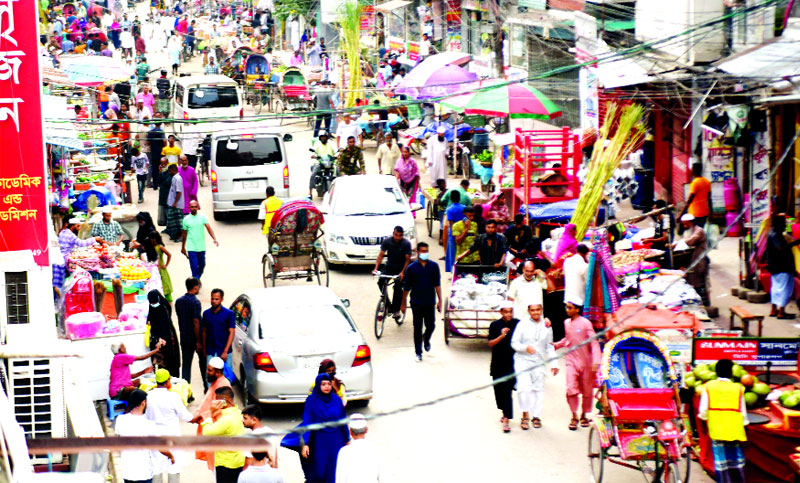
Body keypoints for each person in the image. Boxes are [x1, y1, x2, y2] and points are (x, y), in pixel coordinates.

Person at [698, 358, 748, 483]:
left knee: (721, 461)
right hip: (735, 430)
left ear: (716, 372)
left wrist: (706, 421)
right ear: (731, 373)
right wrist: (745, 425)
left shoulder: (708, 387)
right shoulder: (739, 388)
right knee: (736, 460)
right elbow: (743, 413)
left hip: (717, 430)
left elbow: (703, 411)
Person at [552, 301, 601, 431]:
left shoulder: (586, 323)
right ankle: (574, 416)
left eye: (570, 308)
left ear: (577, 310)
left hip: (586, 362)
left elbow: (594, 342)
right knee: (571, 388)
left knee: (586, 391)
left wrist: (596, 360)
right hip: (571, 361)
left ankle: (584, 415)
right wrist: (557, 345)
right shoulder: (566, 323)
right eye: (567, 307)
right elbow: (568, 339)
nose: (567, 310)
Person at [510, 303, 558, 430]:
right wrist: (525, 348)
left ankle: (536, 416)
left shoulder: (546, 325)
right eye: (533, 310)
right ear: (528, 311)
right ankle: (525, 414)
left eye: (538, 310)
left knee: (538, 389)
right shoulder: (522, 324)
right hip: (523, 360)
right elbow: (514, 343)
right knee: (523, 388)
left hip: (539, 361)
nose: (536, 313)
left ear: (542, 310)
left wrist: (554, 363)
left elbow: (549, 345)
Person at [115, 390, 175, 483]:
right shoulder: (149, 424)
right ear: (143, 403)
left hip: (127, 471)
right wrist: (171, 456)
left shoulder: (120, 420)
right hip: (143, 473)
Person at [298, 374, 350, 482]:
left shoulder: (336, 400)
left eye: (329, 384)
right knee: (319, 472)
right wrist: (305, 443)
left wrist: (347, 439)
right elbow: (307, 421)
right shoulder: (311, 400)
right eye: (323, 384)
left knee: (334, 471)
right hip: (319, 441)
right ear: (318, 385)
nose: (327, 387)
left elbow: (342, 420)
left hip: (336, 441)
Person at [146, 369, 194, 483]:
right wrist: (197, 418)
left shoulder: (148, 396)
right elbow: (186, 416)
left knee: (156, 468)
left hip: (155, 437)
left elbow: (146, 416)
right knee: (173, 466)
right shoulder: (173, 397)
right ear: (168, 382)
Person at [400, 242, 442, 362]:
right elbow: (406, 288)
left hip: (429, 301)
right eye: (422, 251)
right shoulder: (411, 268)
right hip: (416, 302)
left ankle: (426, 338)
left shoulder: (434, 266)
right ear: (418, 252)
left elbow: (437, 284)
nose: (425, 253)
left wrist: (439, 300)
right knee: (417, 327)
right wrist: (403, 303)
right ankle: (418, 352)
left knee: (431, 325)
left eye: (426, 251)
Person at [200, 386, 246, 483]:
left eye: (217, 400)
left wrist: (210, 415)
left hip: (225, 464)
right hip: (239, 461)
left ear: (224, 400)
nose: (214, 402)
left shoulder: (226, 419)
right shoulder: (238, 413)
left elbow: (207, 433)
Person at [488, 302, 518, 433]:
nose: (509, 314)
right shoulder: (495, 325)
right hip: (497, 363)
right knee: (498, 392)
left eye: (510, 311)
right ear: (501, 312)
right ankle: (503, 410)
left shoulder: (517, 324)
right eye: (506, 312)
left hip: (512, 364)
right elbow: (491, 343)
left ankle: (506, 418)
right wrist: (501, 335)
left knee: (507, 391)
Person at [373, 226, 412, 320]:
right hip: (389, 266)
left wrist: (402, 272)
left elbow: (407, 260)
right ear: (393, 233)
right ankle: (387, 304)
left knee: (398, 286)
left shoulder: (406, 244)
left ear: (402, 235)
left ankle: (396, 309)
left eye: (400, 236)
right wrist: (376, 269)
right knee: (381, 281)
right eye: (396, 235)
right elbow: (381, 255)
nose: (397, 237)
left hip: (401, 268)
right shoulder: (387, 241)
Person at [766, 213, 800, 319]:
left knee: (776, 288)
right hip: (782, 266)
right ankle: (781, 311)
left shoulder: (773, 233)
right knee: (784, 289)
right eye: (784, 223)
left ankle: (773, 309)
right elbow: (781, 248)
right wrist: (794, 244)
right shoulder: (775, 234)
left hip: (775, 266)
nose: (785, 225)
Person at [335, 413, 382, 483]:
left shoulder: (343, 452)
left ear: (350, 432)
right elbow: (382, 477)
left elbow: (340, 479)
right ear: (366, 430)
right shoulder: (375, 450)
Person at [677, 213, 710, 307]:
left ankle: (705, 304)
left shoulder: (699, 231)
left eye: (686, 224)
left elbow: (691, 241)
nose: (685, 226)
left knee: (700, 282)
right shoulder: (688, 231)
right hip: (692, 260)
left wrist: (678, 243)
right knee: (693, 282)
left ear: (691, 222)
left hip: (700, 260)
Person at [147, 290, 181, 377]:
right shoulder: (153, 309)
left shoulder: (163, 308)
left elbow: (165, 326)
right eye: (152, 303)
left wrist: (161, 338)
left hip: (169, 343)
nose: (154, 305)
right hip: (160, 344)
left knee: (171, 367)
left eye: (155, 302)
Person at [202, 288, 236, 378]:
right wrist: (205, 350)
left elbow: (232, 333)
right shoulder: (206, 314)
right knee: (210, 378)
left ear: (221, 299)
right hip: (211, 351)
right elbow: (204, 332)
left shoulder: (229, 314)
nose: (214, 301)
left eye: (216, 299)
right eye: (212, 299)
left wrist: (225, 351)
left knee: (226, 378)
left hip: (224, 352)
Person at [181, 200, 218, 279]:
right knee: (194, 267)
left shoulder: (202, 217)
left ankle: (197, 280)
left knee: (202, 265)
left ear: (198, 207)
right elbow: (184, 235)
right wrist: (183, 247)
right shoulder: (186, 219)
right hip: (191, 247)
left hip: (201, 247)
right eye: (192, 207)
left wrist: (214, 238)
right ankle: (195, 284)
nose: (194, 208)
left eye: (195, 207)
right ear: (189, 208)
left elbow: (209, 228)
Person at [681, 163, 711, 228]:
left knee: (696, 233)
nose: (690, 170)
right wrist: (711, 212)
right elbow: (709, 198)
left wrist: (681, 214)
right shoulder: (707, 182)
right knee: (700, 231)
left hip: (695, 213)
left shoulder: (695, 183)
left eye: (691, 168)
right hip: (705, 212)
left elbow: (689, 200)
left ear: (694, 170)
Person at [442, 191, 466, 272]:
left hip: (453, 236)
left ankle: (453, 272)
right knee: (461, 253)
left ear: (451, 198)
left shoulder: (449, 210)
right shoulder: (464, 208)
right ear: (459, 198)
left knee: (452, 254)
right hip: (463, 234)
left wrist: (455, 234)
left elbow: (451, 224)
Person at [309, 131, 337, 197]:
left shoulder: (331, 143)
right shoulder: (317, 143)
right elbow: (313, 150)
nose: (323, 139)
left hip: (330, 162)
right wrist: (313, 155)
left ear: (327, 137)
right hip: (319, 162)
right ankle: (310, 193)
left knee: (338, 173)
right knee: (313, 175)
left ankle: (339, 190)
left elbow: (336, 151)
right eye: (322, 137)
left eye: (324, 137)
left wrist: (337, 155)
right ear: (320, 138)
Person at [149, 232, 173, 302]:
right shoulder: (151, 247)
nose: (152, 240)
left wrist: (166, 265)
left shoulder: (160, 247)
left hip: (161, 269)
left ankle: (168, 300)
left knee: (164, 284)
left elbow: (169, 255)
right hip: (154, 269)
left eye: (153, 239)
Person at [165, 163, 184, 242]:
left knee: (179, 223)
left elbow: (179, 192)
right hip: (172, 203)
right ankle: (175, 235)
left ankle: (181, 236)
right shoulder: (174, 178)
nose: (169, 173)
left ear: (174, 170)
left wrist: (175, 202)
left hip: (177, 204)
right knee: (173, 221)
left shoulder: (178, 179)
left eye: (170, 171)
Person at [147, 117, 166, 188]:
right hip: (160, 152)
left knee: (154, 169)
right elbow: (164, 141)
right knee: (161, 168)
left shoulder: (150, 131)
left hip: (153, 152)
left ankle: (155, 185)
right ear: (161, 124)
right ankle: (160, 183)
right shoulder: (161, 131)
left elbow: (148, 142)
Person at [157, 158, 173, 227]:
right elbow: (158, 182)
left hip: (168, 193)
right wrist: (160, 172)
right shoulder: (161, 172)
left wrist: (162, 184)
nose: (163, 165)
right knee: (163, 209)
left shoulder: (170, 171)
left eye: (164, 163)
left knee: (168, 210)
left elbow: (167, 182)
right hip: (163, 194)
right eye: (162, 163)